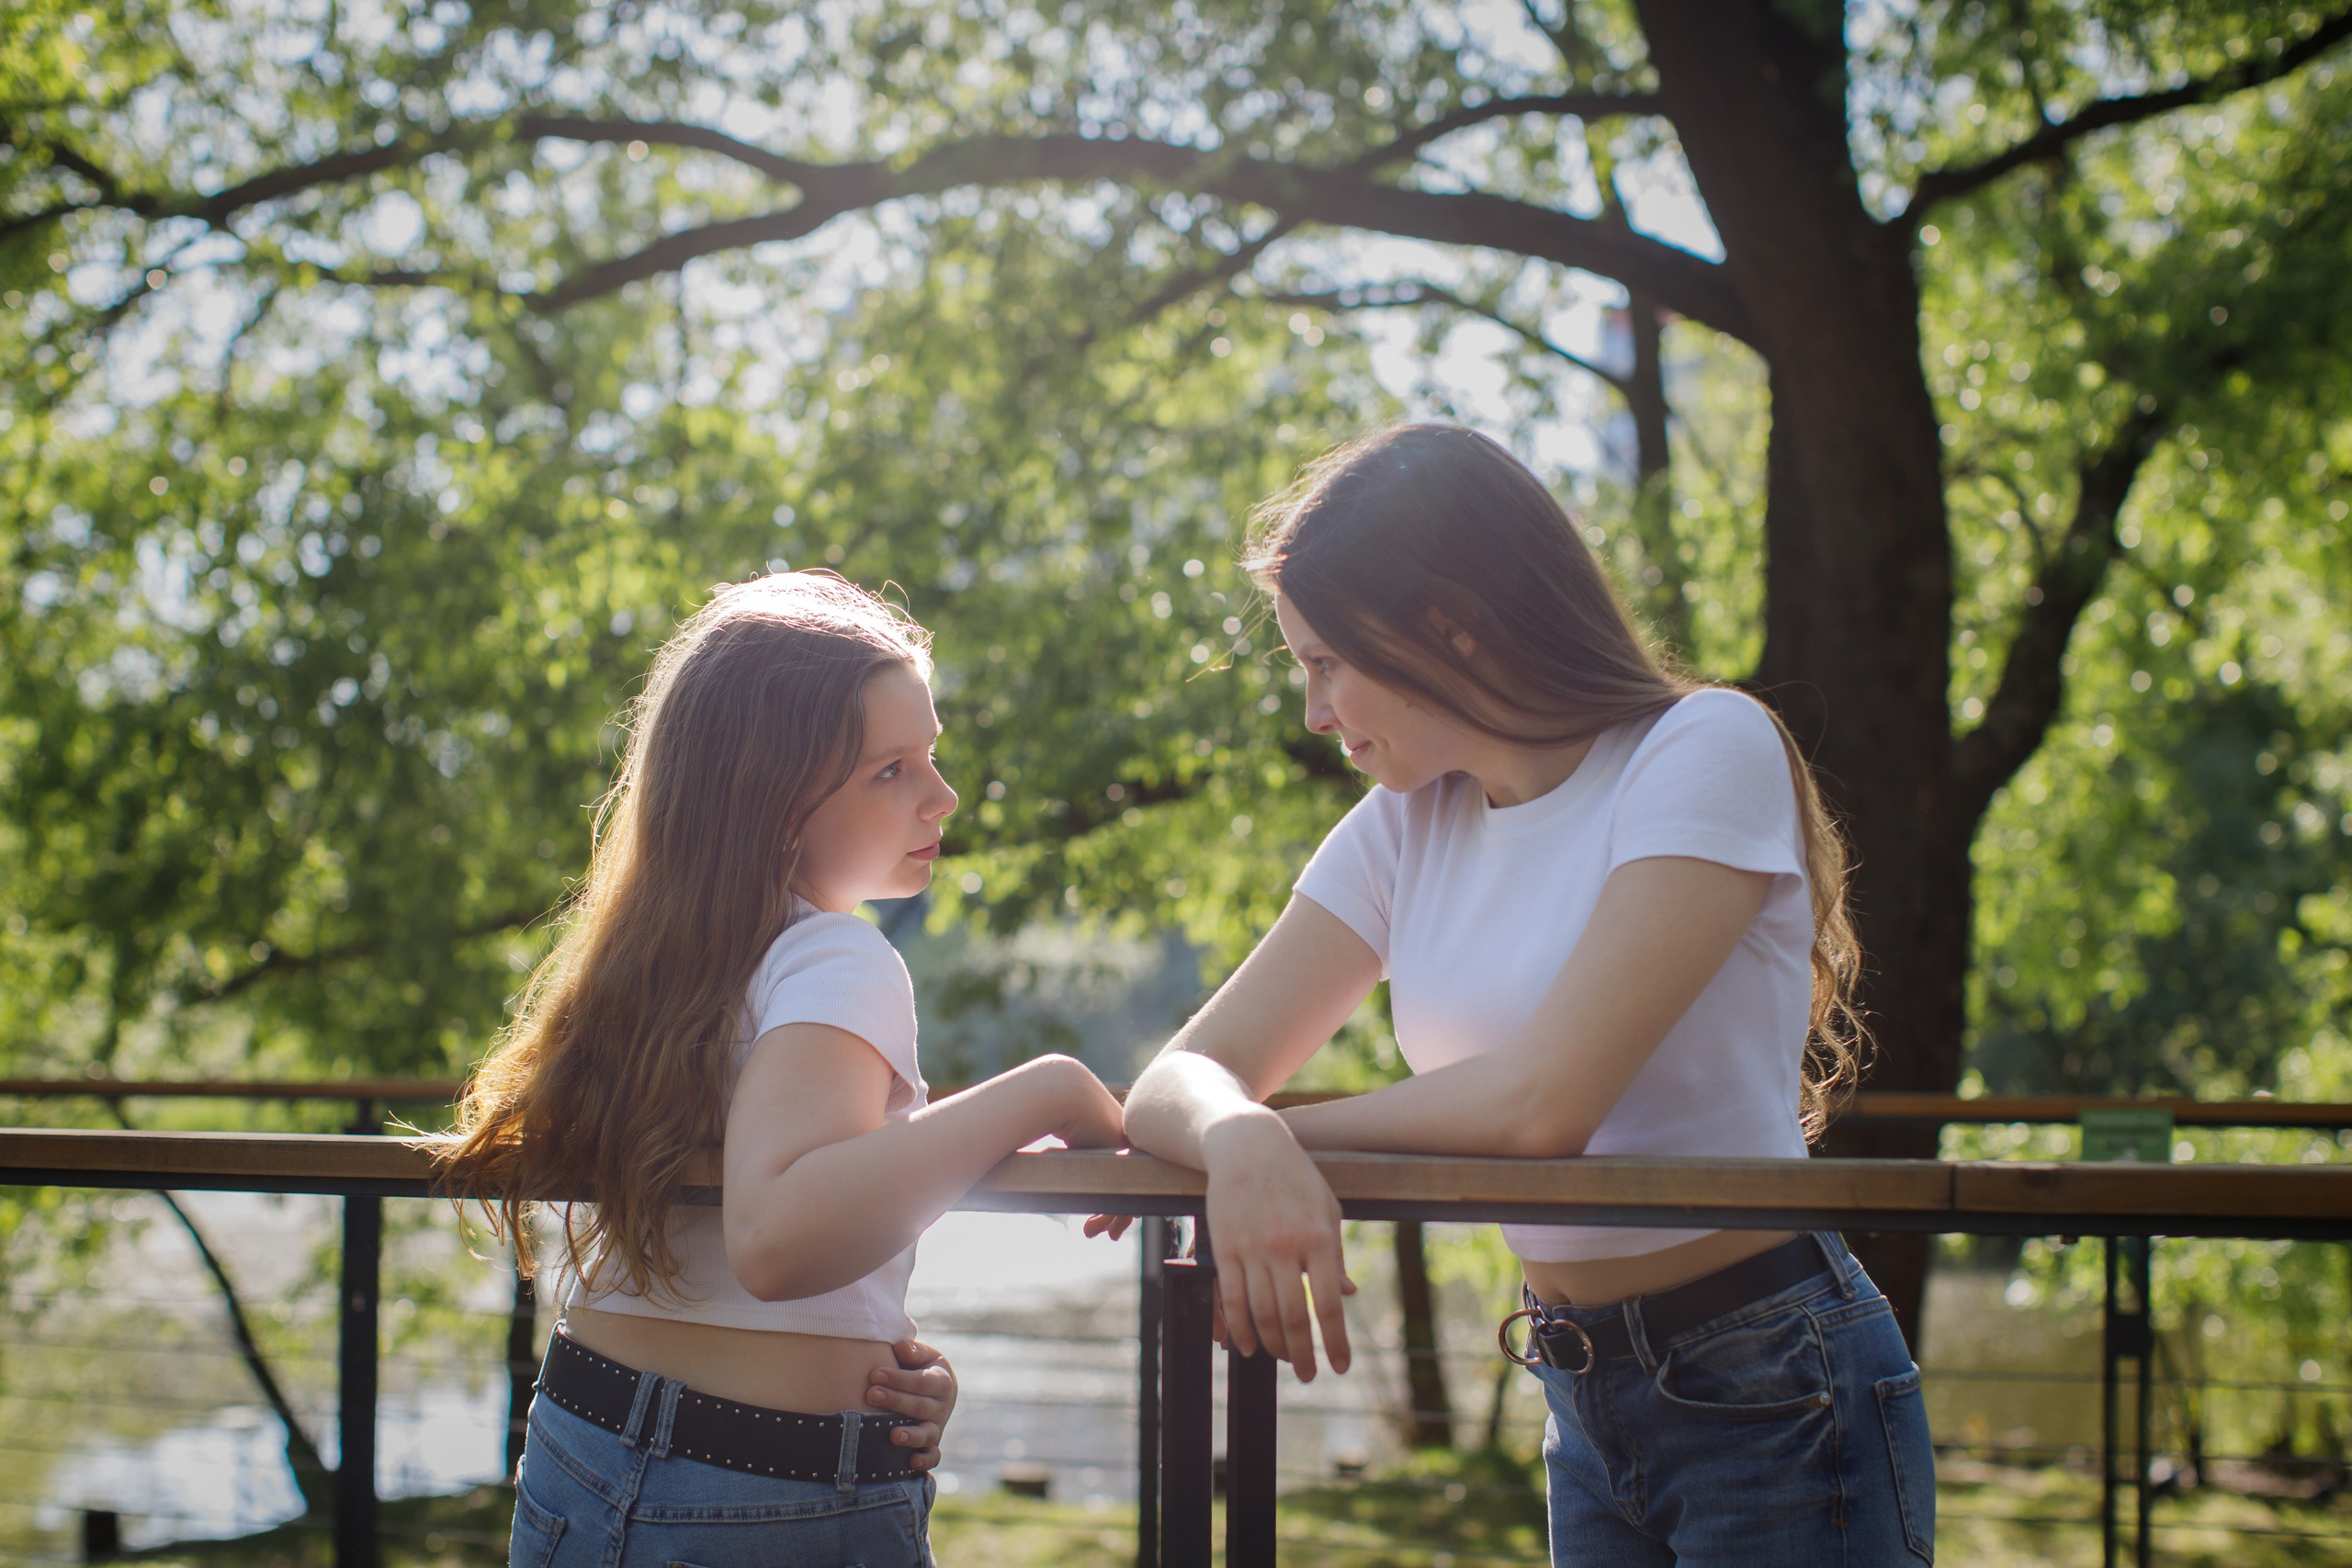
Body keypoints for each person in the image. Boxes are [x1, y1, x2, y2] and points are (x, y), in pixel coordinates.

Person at [1122, 425, 1936, 1565]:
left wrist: (1271, 1138)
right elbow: (1172, 1082)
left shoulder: (1702, 747)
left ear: (1449, 626)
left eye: (1326, 661)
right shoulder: (1405, 826)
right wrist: (1240, 1138)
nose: (1312, 710)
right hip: (1579, 1384)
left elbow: (1541, 1104)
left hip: (1771, 1379)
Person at [434, 571, 1125, 1568]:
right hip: (766, 1494)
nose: (944, 794)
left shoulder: (651, 967)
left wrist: (885, 1350)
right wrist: (1048, 1088)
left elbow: (730, 1267)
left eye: (930, 756)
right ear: (774, 805)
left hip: (580, 1439)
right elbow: (778, 1238)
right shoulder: (834, 956)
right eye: (890, 770)